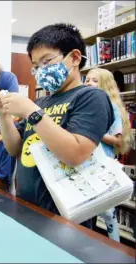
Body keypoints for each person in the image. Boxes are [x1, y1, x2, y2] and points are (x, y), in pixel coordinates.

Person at [0, 23, 114, 228]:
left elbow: (75, 154)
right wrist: (4, 115)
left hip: (65, 217)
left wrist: (30, 111)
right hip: (28, 207)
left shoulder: (91, 97)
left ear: (74, 58)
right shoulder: (41, 103)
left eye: (47, 62)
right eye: (36, 66)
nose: (40, 71)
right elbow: (14, 148)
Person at [85, 68, 132, 241]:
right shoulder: (87, 105)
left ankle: (116, 249)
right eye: (87, 79)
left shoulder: (112, 107)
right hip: (86, 163)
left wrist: (92, 131)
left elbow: (118, 141)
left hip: (102, 165)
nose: (89, 83)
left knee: (107, 213)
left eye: (94, 80)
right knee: (87, 210)